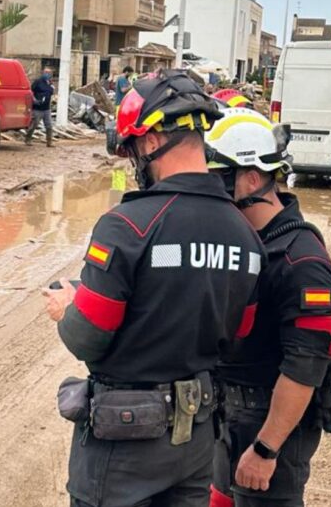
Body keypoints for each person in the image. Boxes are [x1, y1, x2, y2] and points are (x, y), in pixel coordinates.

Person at [43, 71, 264, 507]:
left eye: (131, 150)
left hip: (124, 444)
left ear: (148, 143)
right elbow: (239, 336)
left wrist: (68, 306)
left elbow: (88, 334)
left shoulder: (126, 225)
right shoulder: (246, 235)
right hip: (196, 439)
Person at [204, 108, 331, 507]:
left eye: (218, 177)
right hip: (228, 418)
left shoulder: (303, 260)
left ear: (250, 178)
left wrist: (266, 450)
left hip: (269, 429)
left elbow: (305, 365)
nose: (212, 188)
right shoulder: (240, 240)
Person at [25, 67, 55, 147]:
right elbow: (30, 91)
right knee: (34, 124)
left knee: (49, 125)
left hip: (46, 109)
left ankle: (49, 142)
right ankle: (28, 139)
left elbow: (51, 93)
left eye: (49, 73)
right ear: (43, 73)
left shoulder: (50, 83)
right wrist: (34, 100)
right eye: (46, 72)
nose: (47, 74)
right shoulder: (38, 82)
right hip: (37, 108)